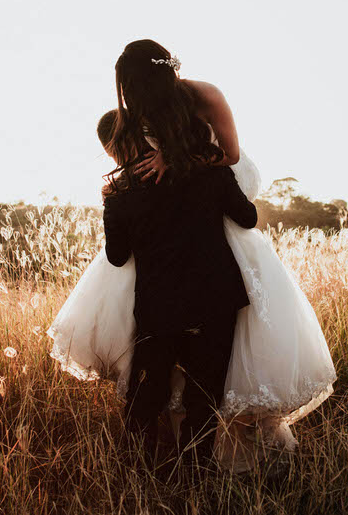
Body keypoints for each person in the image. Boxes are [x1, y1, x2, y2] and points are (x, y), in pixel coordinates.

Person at [48, 40, 336, 471]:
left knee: (152, 377)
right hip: (201, 257)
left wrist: (173, 162)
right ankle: (192, 463)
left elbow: (231, 156)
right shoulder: (139, 127)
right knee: (200, 381)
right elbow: (247, 215)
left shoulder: (206, 98)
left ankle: (145, 464)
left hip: (191, 213)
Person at [97, 110, 259, 464]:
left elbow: (118, 257)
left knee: (146, 394)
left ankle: (138, 473)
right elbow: (248, 217)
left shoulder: (120, 193)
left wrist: (109, 204)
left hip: (159, 307)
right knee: (204, 394)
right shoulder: (205, 170)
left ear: (114, 151)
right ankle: (196, 473)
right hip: (214, 300)